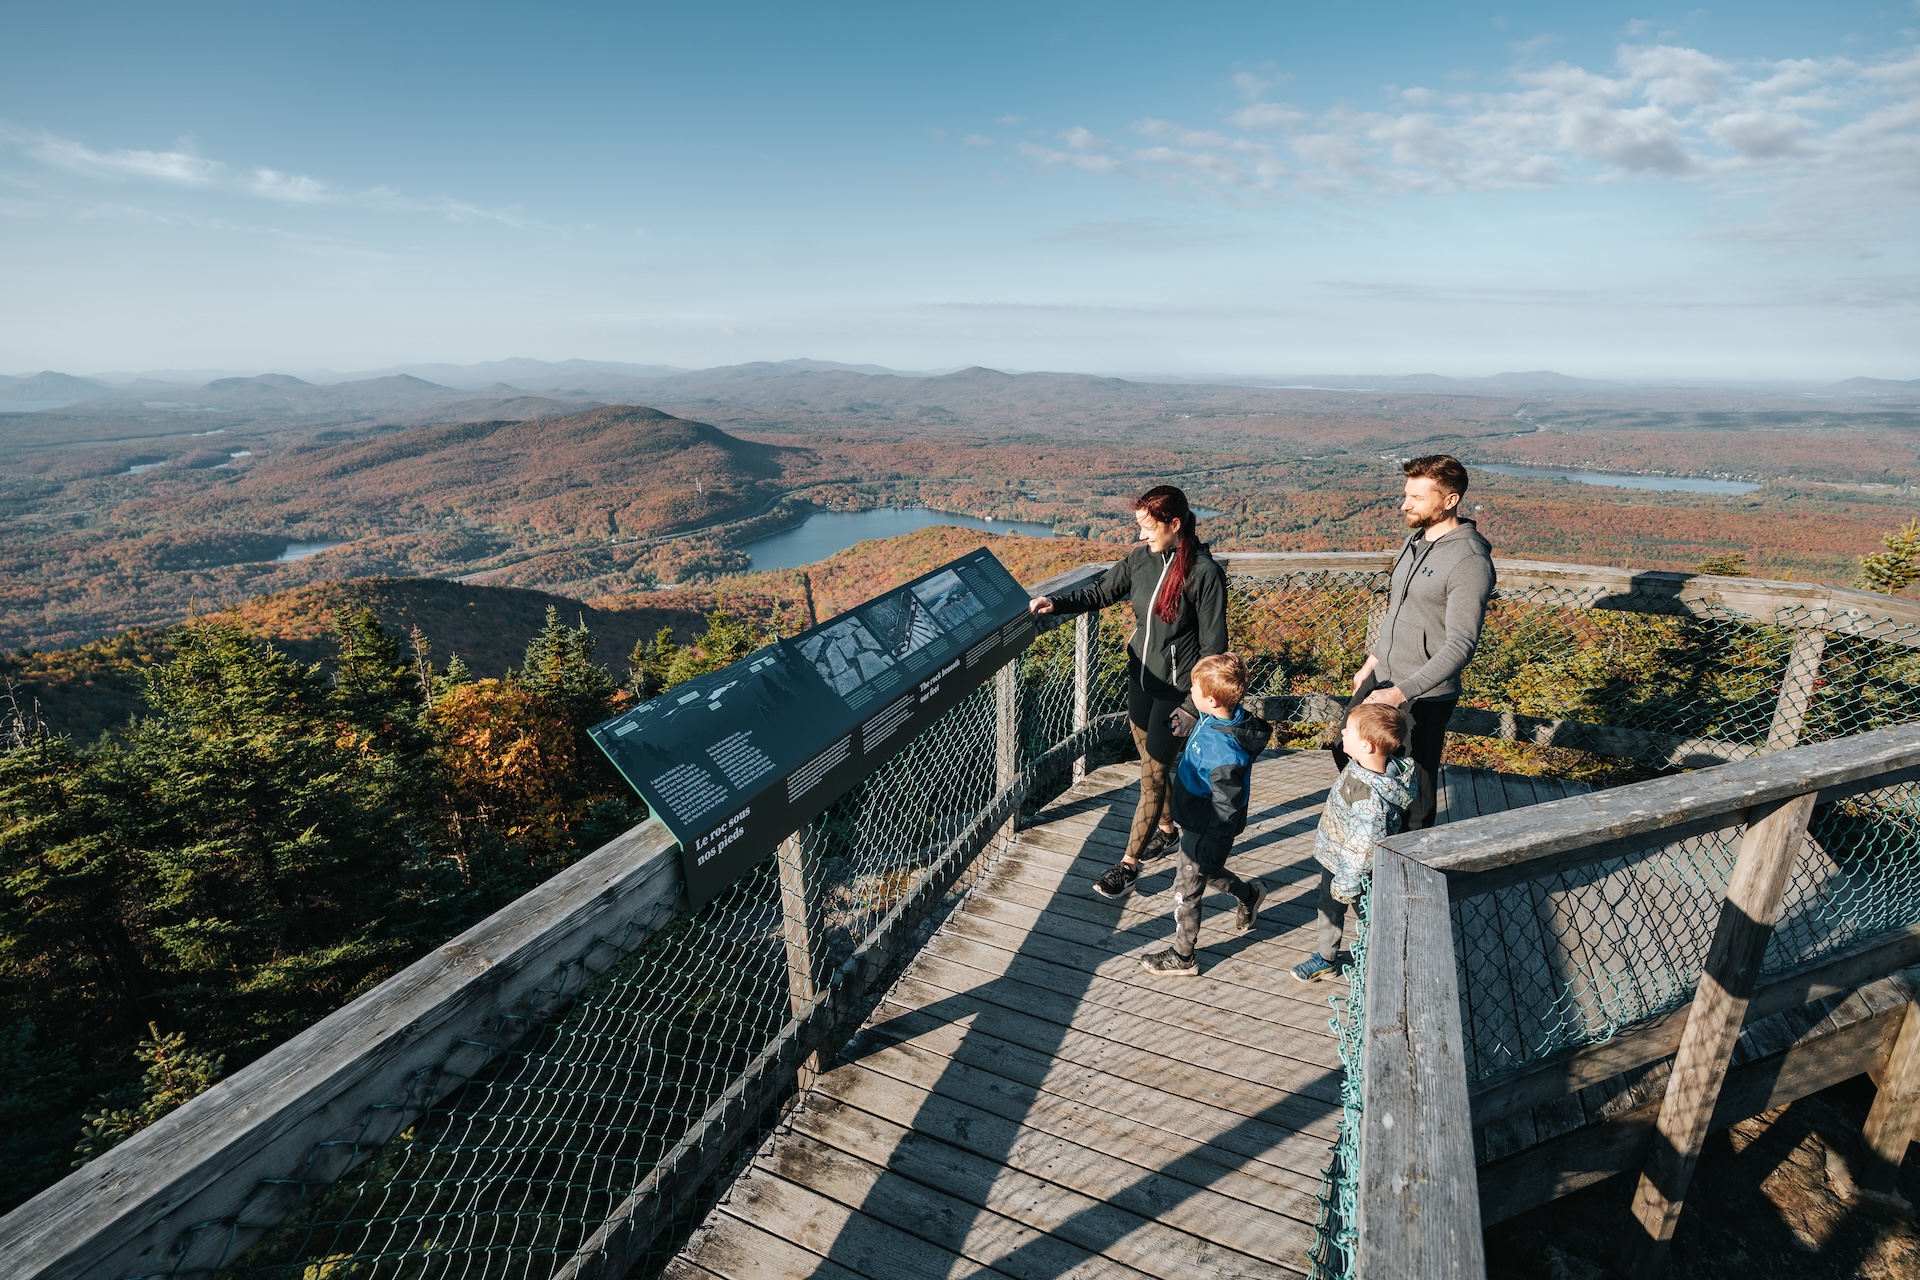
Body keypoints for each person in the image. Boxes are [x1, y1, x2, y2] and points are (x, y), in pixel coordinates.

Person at [1029, 485, 1228, 899]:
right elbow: (1101, 591)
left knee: (1153, 776)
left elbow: (1214, 650)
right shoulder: (1141, 559)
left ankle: (1128, 865)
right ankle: (1169, 830)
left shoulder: (1205, 574)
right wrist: (1055, 602)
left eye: (1147, 527)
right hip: (1139, 680)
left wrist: (1193, 706)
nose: (1141, 536)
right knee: (1150, 766)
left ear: (1174, 525)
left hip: (1176, 693)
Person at [1335, 454, 1494, 832]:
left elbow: (1460, 645)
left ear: (1450, 500)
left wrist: (1400, 693)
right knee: (1347, 751)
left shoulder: (1469, 560)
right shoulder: (1415, 540)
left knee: (1416, 790)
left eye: (1417, 498)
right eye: (1407, 494)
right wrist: (1371, 664)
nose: (1405, 504)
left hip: (1422, 694)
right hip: (1384, 679)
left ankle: (1410, 869)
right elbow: (1398, 613)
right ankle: (1372, 833)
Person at [1140, 653, 1274, 977]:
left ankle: (1183, 956)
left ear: (1211, 700)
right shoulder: (1223, 716)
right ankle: (1249, 894)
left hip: (1207, 829)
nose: (1191, 692)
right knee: (1207, 873)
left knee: (1186, 889)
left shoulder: (1224, 754)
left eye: (1195, 690)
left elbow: (1225, 809)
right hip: (1197, 819)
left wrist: (1209, 844)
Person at [1292, 704, 1416, 982]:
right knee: (1328, 907)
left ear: (1367, 746)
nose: (1343, 731)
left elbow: (1362, 848)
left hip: (1354, 870)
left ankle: (1379, 963)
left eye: (1348, 729)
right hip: (1336, 856)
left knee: (1369, 915)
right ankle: (1325, 958)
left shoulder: (1370, 800)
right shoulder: (1361, 766)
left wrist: (1347, 881)